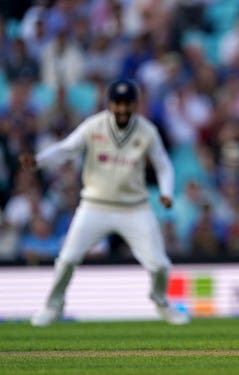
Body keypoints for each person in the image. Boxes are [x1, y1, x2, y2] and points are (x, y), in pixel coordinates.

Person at [21, 79, 189, 327]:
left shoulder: (146, 131)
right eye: (117, 104)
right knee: (67, 259)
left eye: (127, 104)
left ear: (135, 105)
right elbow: (67, 149)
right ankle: (52, 307)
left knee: (159, 265)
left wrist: (166, 193)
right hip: (95, 205)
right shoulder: (94, 126)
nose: (122, 109)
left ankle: (160, 301)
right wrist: (39, 161)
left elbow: (163, 165)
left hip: (134, 207)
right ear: (109, 103)